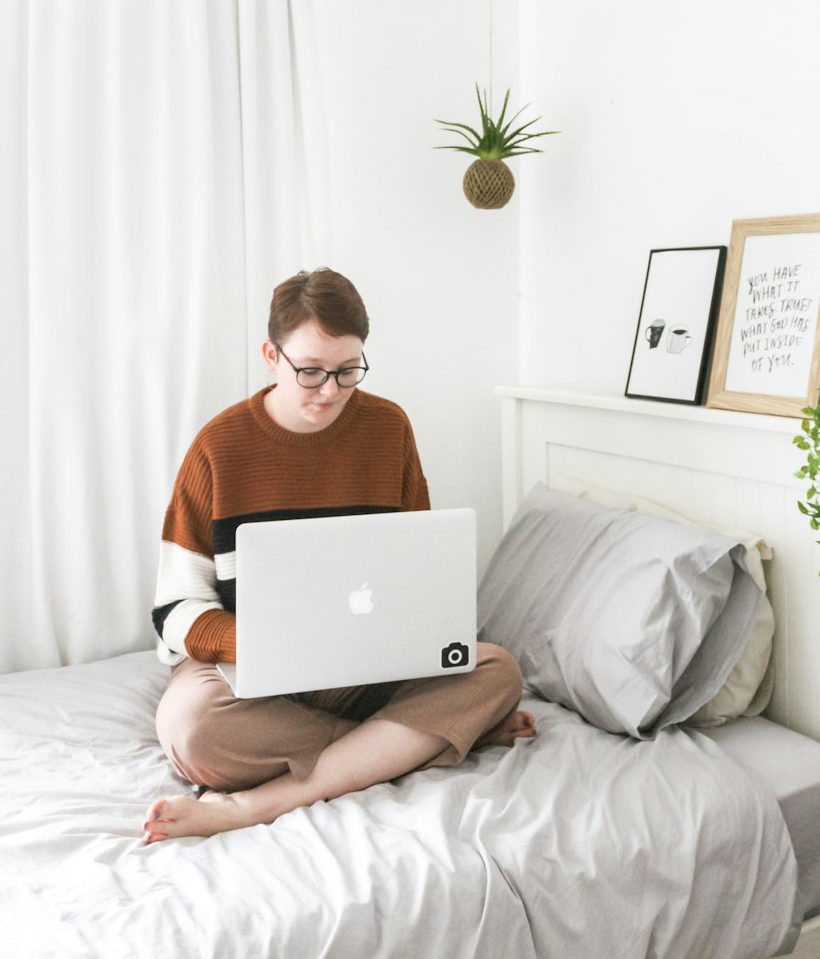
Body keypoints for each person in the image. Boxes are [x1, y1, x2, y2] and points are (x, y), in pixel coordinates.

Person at [143, 268, 535, 843]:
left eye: (348, 370)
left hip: (364, 664)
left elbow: (418, 567)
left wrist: (409, 631)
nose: (329, 390)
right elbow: (175, 608)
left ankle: (259, 803)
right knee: (191, 729)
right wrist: (252, 641)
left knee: (498, 669)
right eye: (310, 371)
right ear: (270, 357)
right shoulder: (218, 447)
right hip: (253, 675)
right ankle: (411, 740)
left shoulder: (388, 428)